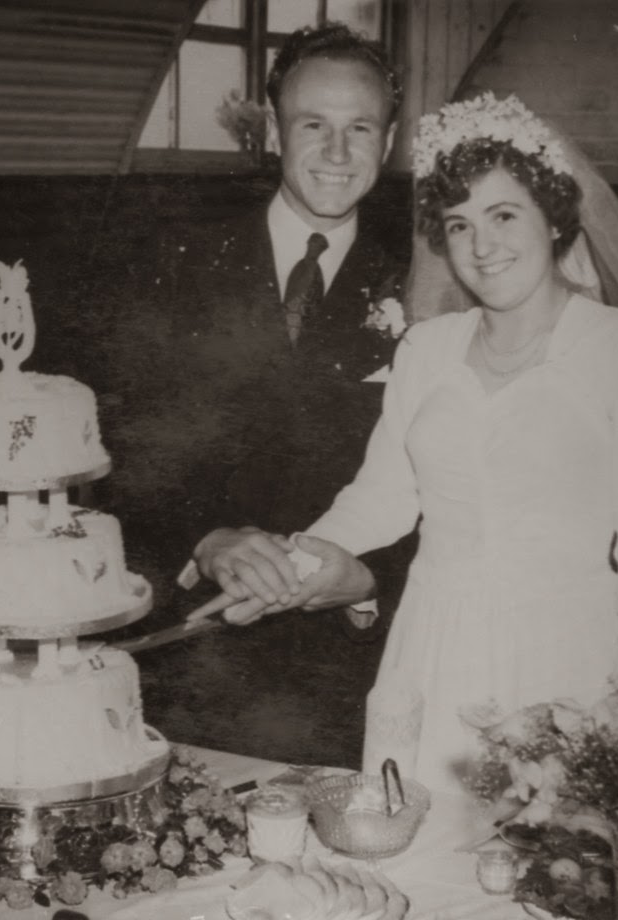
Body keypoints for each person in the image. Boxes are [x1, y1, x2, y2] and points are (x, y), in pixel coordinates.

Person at [200, 92, 618, 794]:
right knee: (416, 832)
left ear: (554, 220)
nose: (481, 246)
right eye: (459, 224)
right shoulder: (426, 348)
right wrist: (289, 567)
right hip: (431, 645)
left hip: (564, 655)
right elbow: (380, 497)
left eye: (504, 216)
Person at [141, 23, 413, 624]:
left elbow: (455, 485)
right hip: (195, 630)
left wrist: (371, 580)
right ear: (272, 131)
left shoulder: (423, 288)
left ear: (389, 141)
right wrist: (205, 538)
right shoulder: (177, 263)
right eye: (313, 125)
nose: (337, 153)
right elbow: (130, 447)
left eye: (360, 128)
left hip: (349, 642)